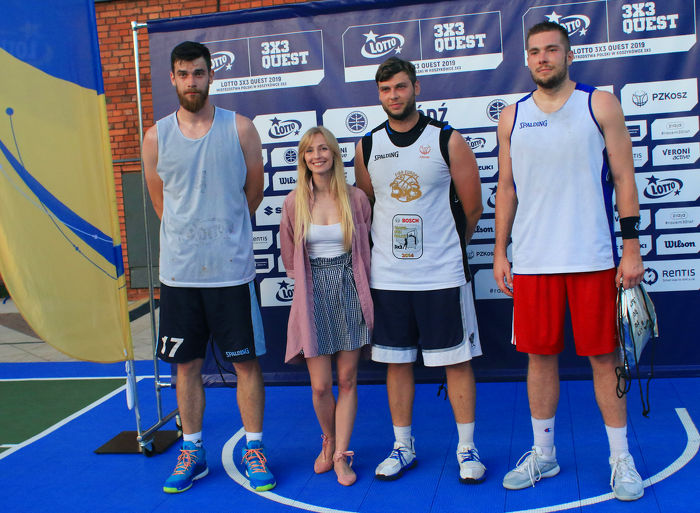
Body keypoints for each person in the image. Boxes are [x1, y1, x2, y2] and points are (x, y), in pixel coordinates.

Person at [493, 22, 645, 501]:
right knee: (539, 358)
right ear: (527, 59)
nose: (543, 58)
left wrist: (632, 247)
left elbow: (624, 177)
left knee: (604, 358)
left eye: (552, 50)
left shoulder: (599, 104)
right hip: (533, 259)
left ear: (568, 55)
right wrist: (499, 250)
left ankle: (621, 458)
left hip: (592, 255)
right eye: (535, 51)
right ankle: (545, 454)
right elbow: (507, 189)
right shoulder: (512, 116)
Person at [142, 41, 275, 494]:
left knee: (246, 366)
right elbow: (161, 203)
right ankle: (192, 451)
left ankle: (254, 448)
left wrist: (223, 233)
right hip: (180, 276)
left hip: (231, 274)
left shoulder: (240, 128)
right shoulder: (156, 136)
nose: (191, 81)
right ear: (172, 78)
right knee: (186, 367)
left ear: (211, 75)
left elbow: (253, 193)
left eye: (198, 73)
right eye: (183, 74)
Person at [355, 57, 486, 483]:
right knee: (397, 363)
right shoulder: (368, 146)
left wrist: (444, 250)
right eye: (385, 89)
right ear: (379, 95)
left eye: (400, 86)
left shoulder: (447, 139)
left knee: (457, 362)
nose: (393, 96)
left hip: (442, 274)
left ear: (416, 87)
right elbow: (368, 207)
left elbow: (473, 208)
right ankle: (403, 446)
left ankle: (467, 449)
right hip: (389, 278)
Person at [280, 126, 373, 486]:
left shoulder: (356, 199)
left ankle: (341, 455)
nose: (317, 156)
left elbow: (365, 250)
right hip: (312, 295)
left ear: (334, 154)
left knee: (347, 380)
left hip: (349, 290)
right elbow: (290, 258)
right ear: (303, 159)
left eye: (323, 149)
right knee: (320, 385)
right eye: (309, 150)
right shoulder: (293, 202)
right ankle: (329, 438)